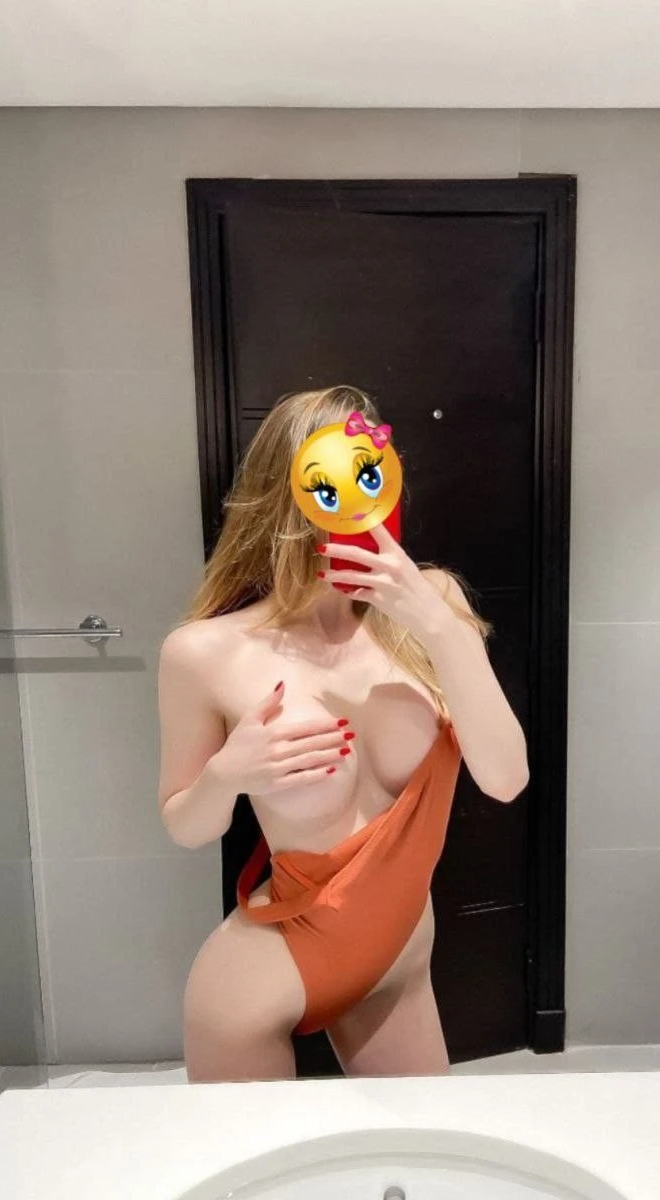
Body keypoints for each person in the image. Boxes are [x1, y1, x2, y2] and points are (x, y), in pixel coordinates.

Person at [157, 385, 528, 1082]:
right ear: (285, 497)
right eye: (331, 484)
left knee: (414, 1148)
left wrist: (441, 629)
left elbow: (507, 779)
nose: (358, 503)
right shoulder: (206, 652)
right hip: (261, 982)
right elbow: (185, 824)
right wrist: (227, 776)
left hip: (396, 963)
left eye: (373, 477)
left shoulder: (432, 606)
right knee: (267, 1160)